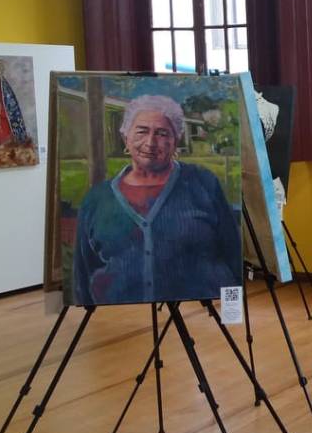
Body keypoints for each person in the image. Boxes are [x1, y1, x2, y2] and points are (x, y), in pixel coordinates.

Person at [72, 94, 241, 305]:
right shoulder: (97, 199)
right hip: (120, 316)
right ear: (125, 137)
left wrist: (233, 307)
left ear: (175, 140)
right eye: (142, 131)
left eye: (162, 133)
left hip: (199, 312)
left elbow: (232, 252)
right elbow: (83, 272)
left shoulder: (203, 184)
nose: (150, 143)